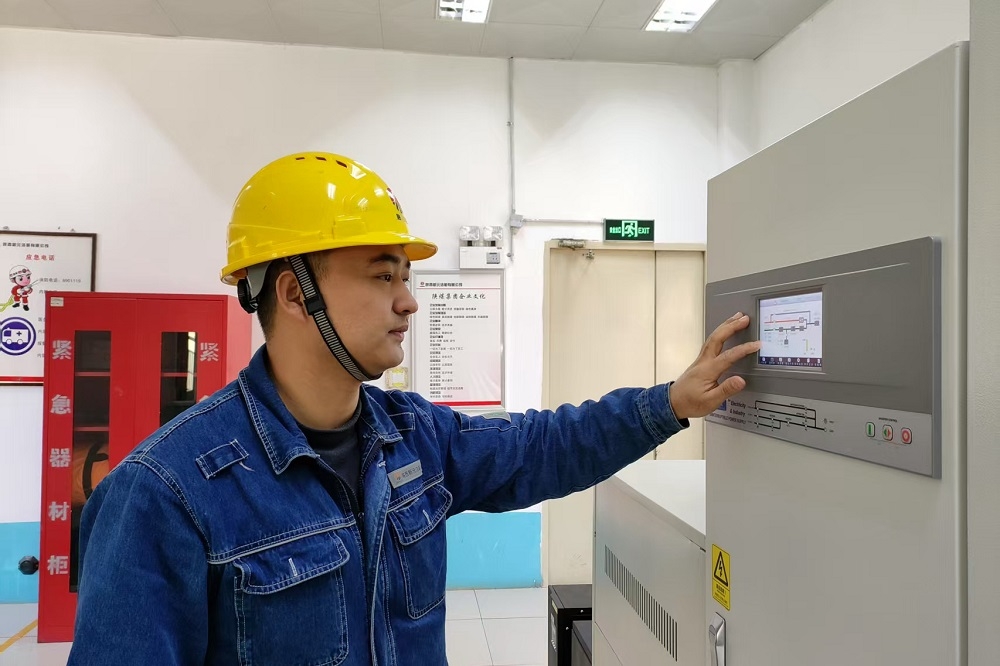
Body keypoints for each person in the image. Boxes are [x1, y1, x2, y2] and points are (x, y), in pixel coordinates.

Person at [68, 152, 759, 665]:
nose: (408, 301)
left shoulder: (413, 435)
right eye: (382, 275)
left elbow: (542, 446)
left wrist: (670, 403)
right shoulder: (165, 494)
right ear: (293, 292)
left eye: (407, 275)